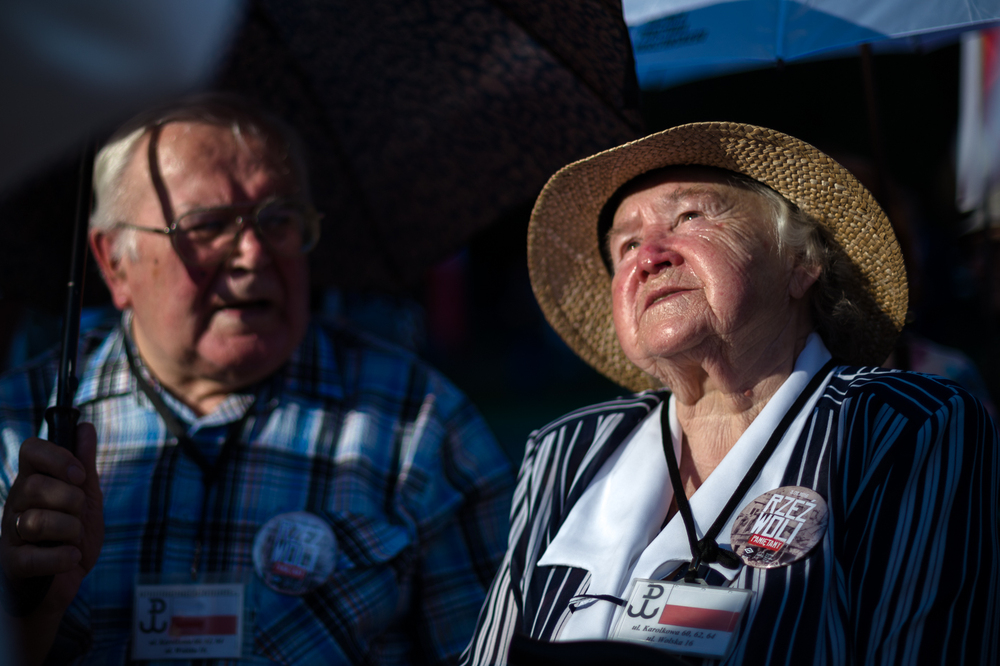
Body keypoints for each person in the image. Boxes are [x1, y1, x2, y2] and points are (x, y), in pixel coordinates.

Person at [0, 94, 514, 665]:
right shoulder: (20, 429)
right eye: (208, 226)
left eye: (278, 219)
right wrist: (28, 614)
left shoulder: (420, 427)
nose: (252, 253)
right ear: (114, 261)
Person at [461, 122, 999, 665]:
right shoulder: (565, 448)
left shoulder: (899, 425)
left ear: (801, 263)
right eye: (626, 245)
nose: (649, 256)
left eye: (690, 216)